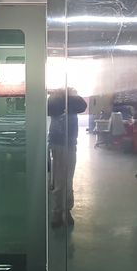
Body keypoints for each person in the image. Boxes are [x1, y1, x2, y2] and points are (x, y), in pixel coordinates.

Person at [47, 87, 87, 228]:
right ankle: (57, 212)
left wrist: (69, 95)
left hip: (70, 144)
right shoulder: (54, 100)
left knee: (68, 180)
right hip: (57, 144)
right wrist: (62, 95)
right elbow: (50, 109)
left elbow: (82, 106)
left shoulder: (73, 101)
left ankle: (67, 209)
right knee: (59, 181)